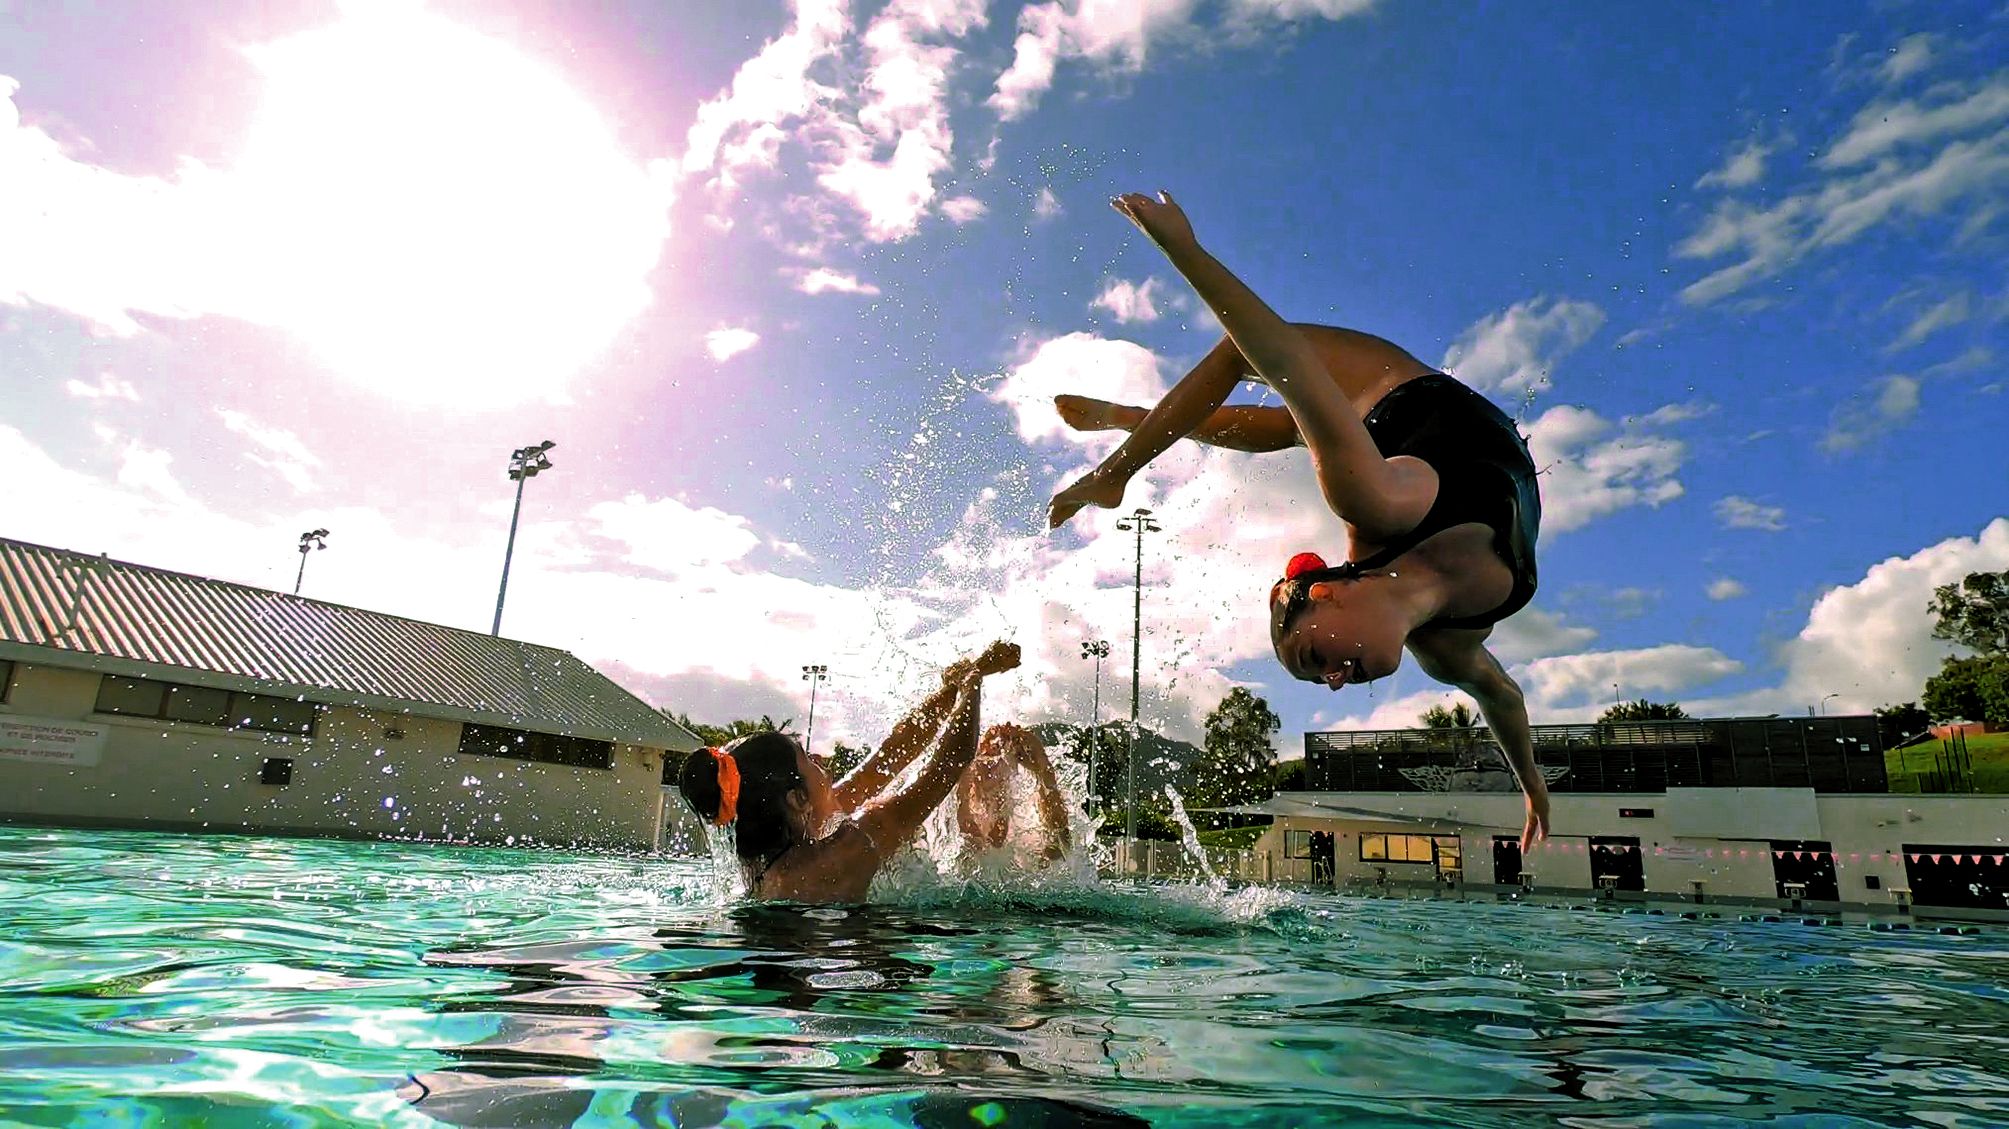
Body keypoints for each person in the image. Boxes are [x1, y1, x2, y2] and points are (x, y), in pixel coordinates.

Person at [1047, 191, 1549, 850]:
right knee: (1290, 427)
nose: (1335, 680)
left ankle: (1119, 462)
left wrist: (1182, 248)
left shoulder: (1372, 500)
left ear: (1331, 592)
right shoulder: (1445, 648)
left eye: (1317, 658)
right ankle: (1135, 419)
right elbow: (1502, 696)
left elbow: (1282, 359)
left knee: (1245, 357)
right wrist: (1532, 786)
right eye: (1322, 678)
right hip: (1465, 449)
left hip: (1389, 386)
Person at [677, 640, 1020, 902]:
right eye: (807, 759)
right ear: (797, 799)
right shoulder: (840, 855)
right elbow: (951, 762)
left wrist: (957, 685)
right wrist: (972, 681)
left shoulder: (767, 860)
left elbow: (884, 762)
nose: (819, 761)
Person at [954, 723, 1073, 865]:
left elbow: (1063, 843)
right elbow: (969, 829)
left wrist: (1042, 770)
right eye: (986, 759)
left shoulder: (1025, 834)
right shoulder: (955, 832)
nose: (992, 770)